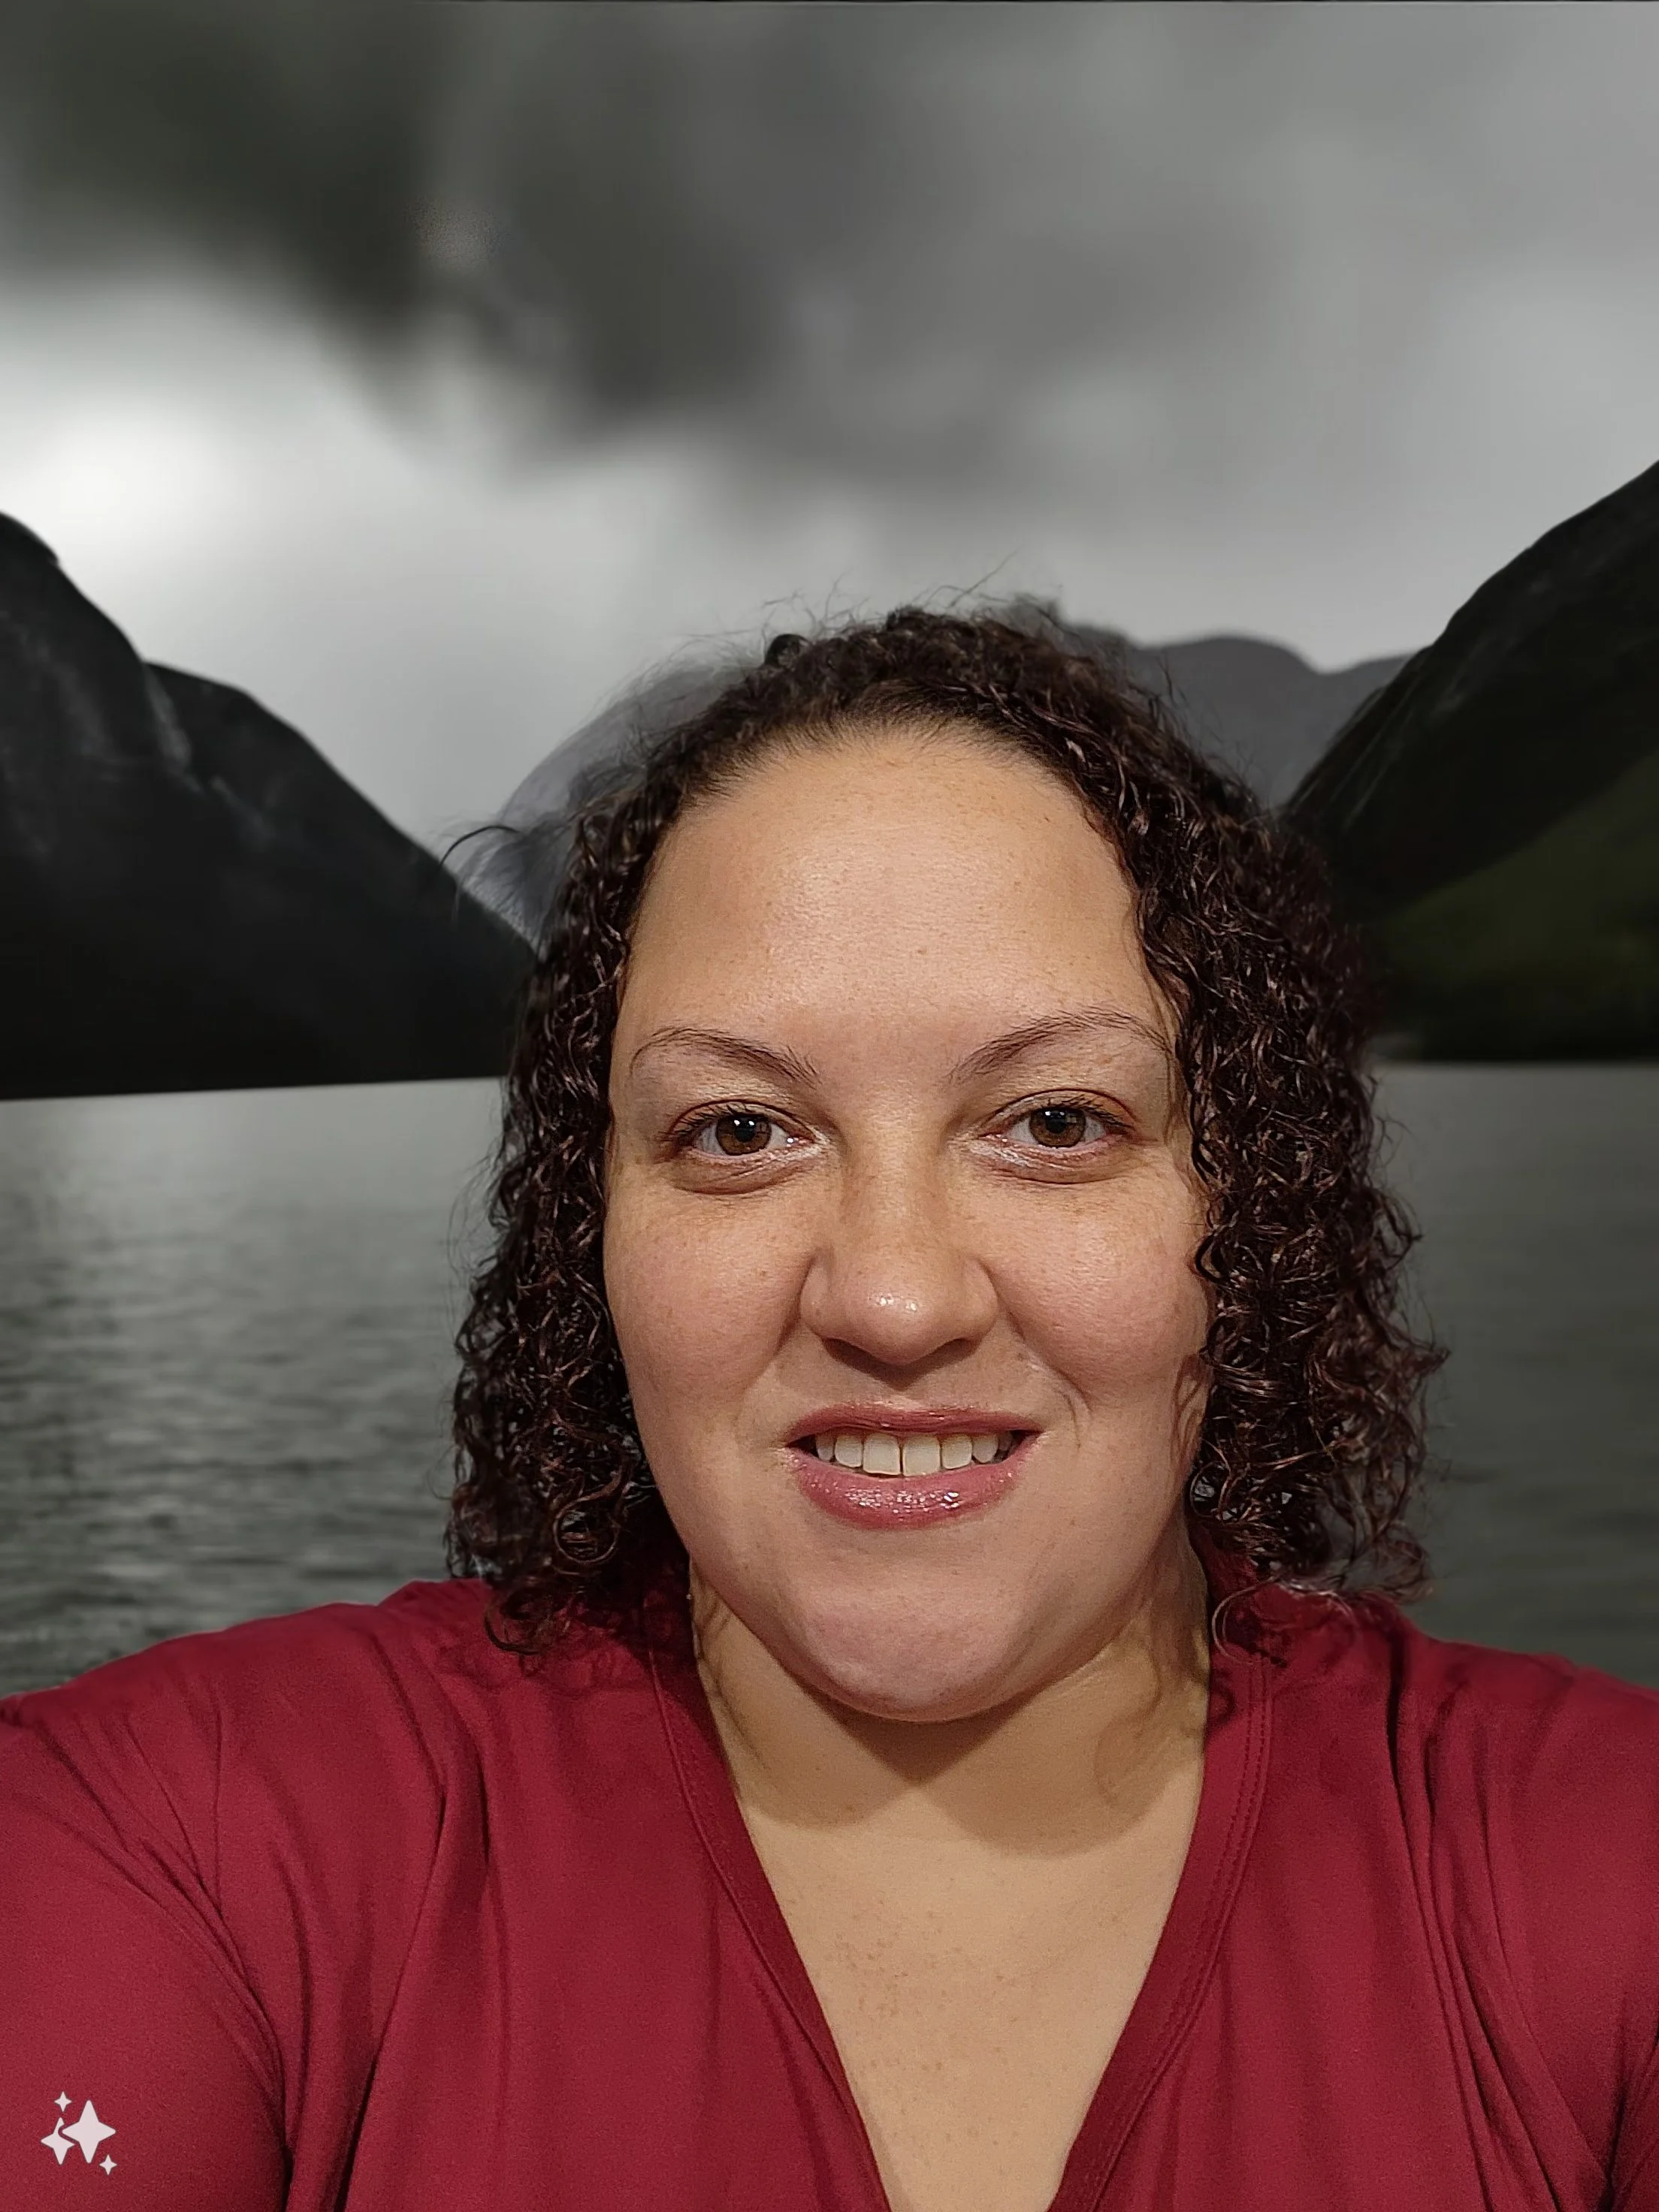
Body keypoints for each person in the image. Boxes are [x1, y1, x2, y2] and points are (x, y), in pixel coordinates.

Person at [2, 606, 1656, 2212]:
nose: (892, 1295)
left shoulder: (1606, 1871)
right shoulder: (182, 1840)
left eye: (1059, 1120)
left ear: (1253, 1204)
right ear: (593, 1227)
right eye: (737, 1132)